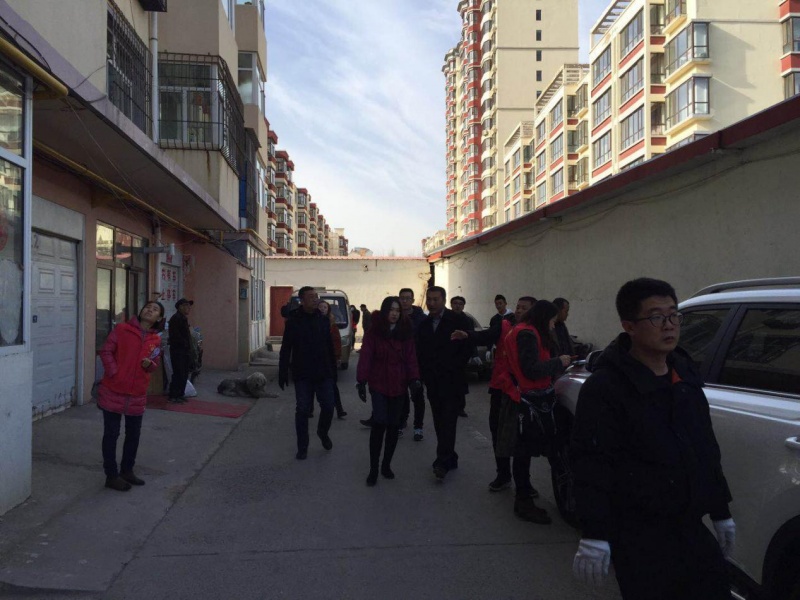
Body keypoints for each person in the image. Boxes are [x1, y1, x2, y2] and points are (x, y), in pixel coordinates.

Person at [570, 278, 734, 599]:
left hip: (690, 526)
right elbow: (591, 462)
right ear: (629, 326)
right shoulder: (606, 387)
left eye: (674, 315)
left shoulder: (683, 374)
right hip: (639, 537)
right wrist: (595, 533)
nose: (669, 325)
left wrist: (720, 509)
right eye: (656, 317)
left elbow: (705, 447)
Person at [451, 296, 535, 492]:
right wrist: (467, 335)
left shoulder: (536, 331)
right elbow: (486, 335)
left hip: (525, 392)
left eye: (524, 308)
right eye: (518, 307)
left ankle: (524, 482)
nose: (519, 310)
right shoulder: (504, 325)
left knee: (523, 439)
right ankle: (503, 474)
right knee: (498, 432)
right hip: (500, 388)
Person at [497, 300, 570, 523]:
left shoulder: (524, 331)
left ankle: (526, 496)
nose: (552, 325)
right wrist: (559, 362)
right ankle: (524, 501)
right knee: (524, 453)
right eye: (551, 321)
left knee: (525, 452)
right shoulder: (527, 334)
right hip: (526, 400)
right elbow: (531, 369)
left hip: (526, 397)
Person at [97, 301, 165, 491]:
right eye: (148, 307)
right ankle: (111, 476)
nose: (150, 310)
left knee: (133, 435)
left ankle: (127, 471)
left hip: (137, 393)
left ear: (159, 318)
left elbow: (154, 362)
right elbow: (106, 351)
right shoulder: (122, 329)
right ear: (141, 310)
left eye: (155, 310)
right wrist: (114, 372)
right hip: (114, 390)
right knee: (111, 434)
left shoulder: (155, 340)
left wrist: (150, 365)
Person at [356, 297, 421, 486]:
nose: (394, 314)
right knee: (379, 422)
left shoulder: (405, 332)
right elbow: (366, 357)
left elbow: (411, 358)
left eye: (398, 310)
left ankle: (386, 464)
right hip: (379, 384)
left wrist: (414, 379)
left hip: (399, 385)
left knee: (393, 426)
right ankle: (373, 468)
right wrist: (361, 381)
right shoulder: (374, 332)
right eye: (391, 310)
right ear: (385, 311)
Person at [416, 286, 473, 481]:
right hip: (433, 382)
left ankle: (441, 462)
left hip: (452, 381)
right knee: (439, 421)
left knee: (448, 421)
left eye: (435, 299)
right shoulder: (424, 324)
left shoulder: (458, 321)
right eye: (429, 299)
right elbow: (420, 352)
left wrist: (454, 366)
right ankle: (451, 456)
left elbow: (467, 348)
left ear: (443, 300)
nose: (431, 303)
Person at [278, 286, 338, 460]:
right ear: (302, 300)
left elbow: (329, 346)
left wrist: (333, 370)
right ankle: (302, 447)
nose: (315, 299)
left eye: (316, 296)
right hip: (303, 373)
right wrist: (283, 371)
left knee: (329, 406)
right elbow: (286, 348)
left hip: (323, 372)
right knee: (303, 410)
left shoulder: (323, 320)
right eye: (311, 297)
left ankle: (322, 432)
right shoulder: (294, 322)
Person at [319, 299, 347, 419]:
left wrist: (338, 357)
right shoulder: (313, 322)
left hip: (330, 360)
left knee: (332, 385)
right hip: (316, 360)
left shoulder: (332, 325)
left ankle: (339, 409)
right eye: (320, 307)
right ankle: (308, 409)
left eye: (325, 307)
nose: (322, 309)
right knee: (312, 386)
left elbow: (337, 342)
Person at [449, 295, 473, 418]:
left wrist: (470, 355)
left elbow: (471, 338)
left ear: (463, 306)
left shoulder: (467, 320)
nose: (457, 306)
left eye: (460, 304)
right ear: (451, 305)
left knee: (460, 384)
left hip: (461, 357)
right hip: (447, 356)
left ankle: (460, 408)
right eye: (455, 303)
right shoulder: (446, 319)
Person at [167, 298, 193, 404]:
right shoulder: (176, 318)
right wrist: (185, 344)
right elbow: (176, 336)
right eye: (186, 305)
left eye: (189, 306)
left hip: (184, 350)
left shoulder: (183, 318)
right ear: (180, 307)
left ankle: (180, 394)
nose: (189, 308)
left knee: (184, 373)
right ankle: (174, 395)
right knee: (179, 372)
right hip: (178, 351)